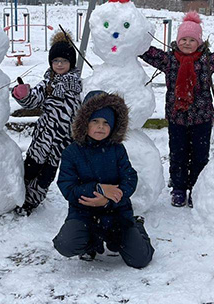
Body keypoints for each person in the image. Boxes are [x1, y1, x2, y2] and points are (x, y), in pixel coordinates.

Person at [53, 91, 154, 269]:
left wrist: (110, 198)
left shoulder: (117, 149)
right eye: (95, 121)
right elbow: (68, 187)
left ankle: (136, 227)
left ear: (113, 126)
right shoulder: (72, 152)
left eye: (106, 123)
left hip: (117, 213)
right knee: (65, 244)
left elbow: (129, 177)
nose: (100, 127)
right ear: (85, 122)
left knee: (140, 259)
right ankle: (88, 243)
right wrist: (98, 188)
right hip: (84, 214)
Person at [140, 11, 214, 208]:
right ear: (177, 41)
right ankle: (178, 188)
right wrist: (131, 37)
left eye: (192, 40)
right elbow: (146, 51)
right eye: (183, 39)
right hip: (176, 118)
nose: (187, 43)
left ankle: (196, 188)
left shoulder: (206, 61)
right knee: (177, 154)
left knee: (199, 155)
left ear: (200, 43)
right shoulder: (170, 60)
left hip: (202, 119)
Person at [12, 30, 82, 215]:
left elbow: (83, 112)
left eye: (64, 61)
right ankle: (18, 196)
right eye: (56, 61)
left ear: (71, 63)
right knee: (30, 168)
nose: (59, 65)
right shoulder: (47, 83)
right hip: (42, 137)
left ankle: (32, 202)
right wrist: (23, 94)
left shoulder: (77, 86)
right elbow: (33, 100)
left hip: (62, 141)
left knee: (46, 175)